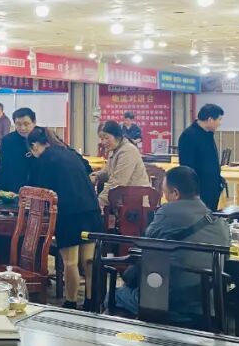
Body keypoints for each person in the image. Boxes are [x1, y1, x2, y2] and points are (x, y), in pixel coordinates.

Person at [113, 166, 230, 326]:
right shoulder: (219, 222)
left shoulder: (168, 212)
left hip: (169, 304)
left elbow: (147, 244)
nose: (164, 197)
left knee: (115, 295)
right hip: (209, 307)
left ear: (175, 193)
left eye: (164, 193)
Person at [27, 127, 103, 310]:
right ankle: (91, 303)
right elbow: (88, 170)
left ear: (34, 146)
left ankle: (71, 302)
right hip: (91, 210)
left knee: (70, 262)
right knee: (89, 262)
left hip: (68, 214)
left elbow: (41, 191)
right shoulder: (70, 153)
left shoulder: (45, 159)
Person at [178, 103, 225, 211]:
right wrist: (193, 191)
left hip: (212, 188)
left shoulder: (208, 134)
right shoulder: (188, 136)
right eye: (219, 119)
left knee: (210, 217)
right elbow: (187, 167)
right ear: (210, 120)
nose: (220, 123)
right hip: (198, 191)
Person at [94, 120, 150, 206]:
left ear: (118, 137)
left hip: (136, 204)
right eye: (101, 139)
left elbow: (117, 183)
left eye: (107, 138)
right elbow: (107, 172)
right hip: (122, 200)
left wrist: (97, 203)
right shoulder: (114, 149)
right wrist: (95, 177)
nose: (103, 142)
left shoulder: (128, 151)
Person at [0, 107, 36, 194]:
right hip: (14, 189)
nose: (22, 128)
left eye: (26, 124)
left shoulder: (43, 138)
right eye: (18, 124)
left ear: (34, 122)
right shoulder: (8, 141)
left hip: (37, 188)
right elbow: (2, 167)